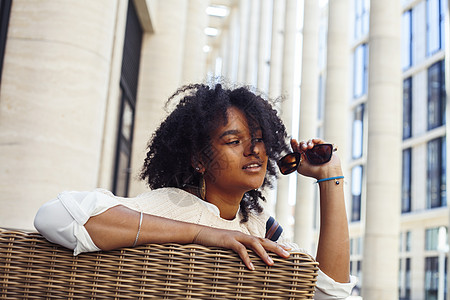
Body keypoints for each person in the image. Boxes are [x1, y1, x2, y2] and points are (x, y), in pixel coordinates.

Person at [34, 83, 357, 299]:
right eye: (234, 141)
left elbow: (327, 295)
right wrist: (204, 234)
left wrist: (330, 177)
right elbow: (55, 216)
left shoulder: (259, 227)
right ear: (199, 159)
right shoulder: (173, 205)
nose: (253, 150)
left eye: (258, 138)